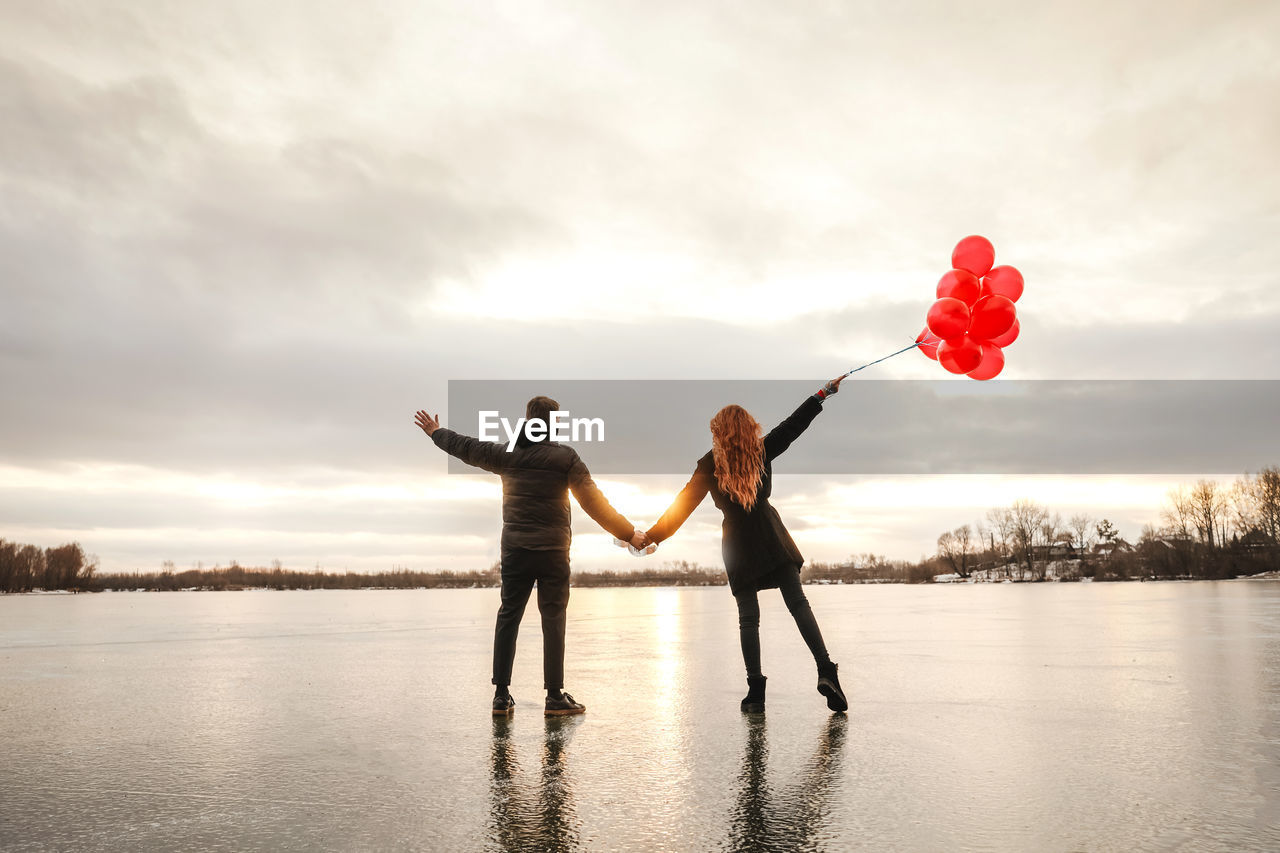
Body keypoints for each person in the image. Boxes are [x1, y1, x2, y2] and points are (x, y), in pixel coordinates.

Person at [416, 396, 645, 716]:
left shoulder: (507, 453)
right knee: (553, 619)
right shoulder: (565, 457)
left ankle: (500, 695)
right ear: (553, 423)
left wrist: (436, 432)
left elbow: (466, 447)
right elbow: (593, 502)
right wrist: (628, 533)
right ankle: (554, 697)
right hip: (553, 551)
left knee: (508, 615)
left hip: (515, 551)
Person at [641, 377, 849, 713]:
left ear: (718, 432)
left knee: (748, 619)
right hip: (771, 536)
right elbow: (793, 426)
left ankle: (756, 692)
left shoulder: (708, 464)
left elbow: (681, 506)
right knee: (798, 603)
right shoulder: (762, 449)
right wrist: (822, 394)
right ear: (748, 427)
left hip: (737, 545)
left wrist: (650, 536)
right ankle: (826, 670)